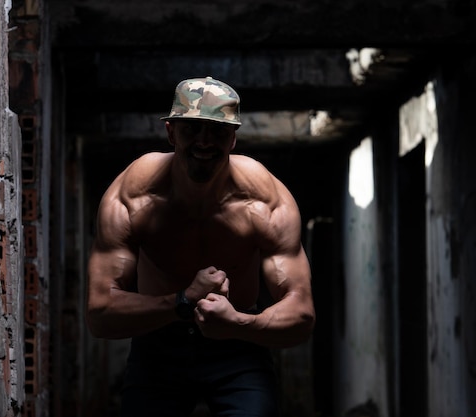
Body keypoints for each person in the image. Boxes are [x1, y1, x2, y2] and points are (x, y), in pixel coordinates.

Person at [86, 76, 315, 416]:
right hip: (158, 342)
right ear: (170, 132)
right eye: (193, 127)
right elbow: (100, 314)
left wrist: (237, 322)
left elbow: (301, 314)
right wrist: (182, 301)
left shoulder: (264, 200)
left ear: (233, 138)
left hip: (238, 346)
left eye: (218, 130)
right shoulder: (134, 195)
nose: (205, 141)